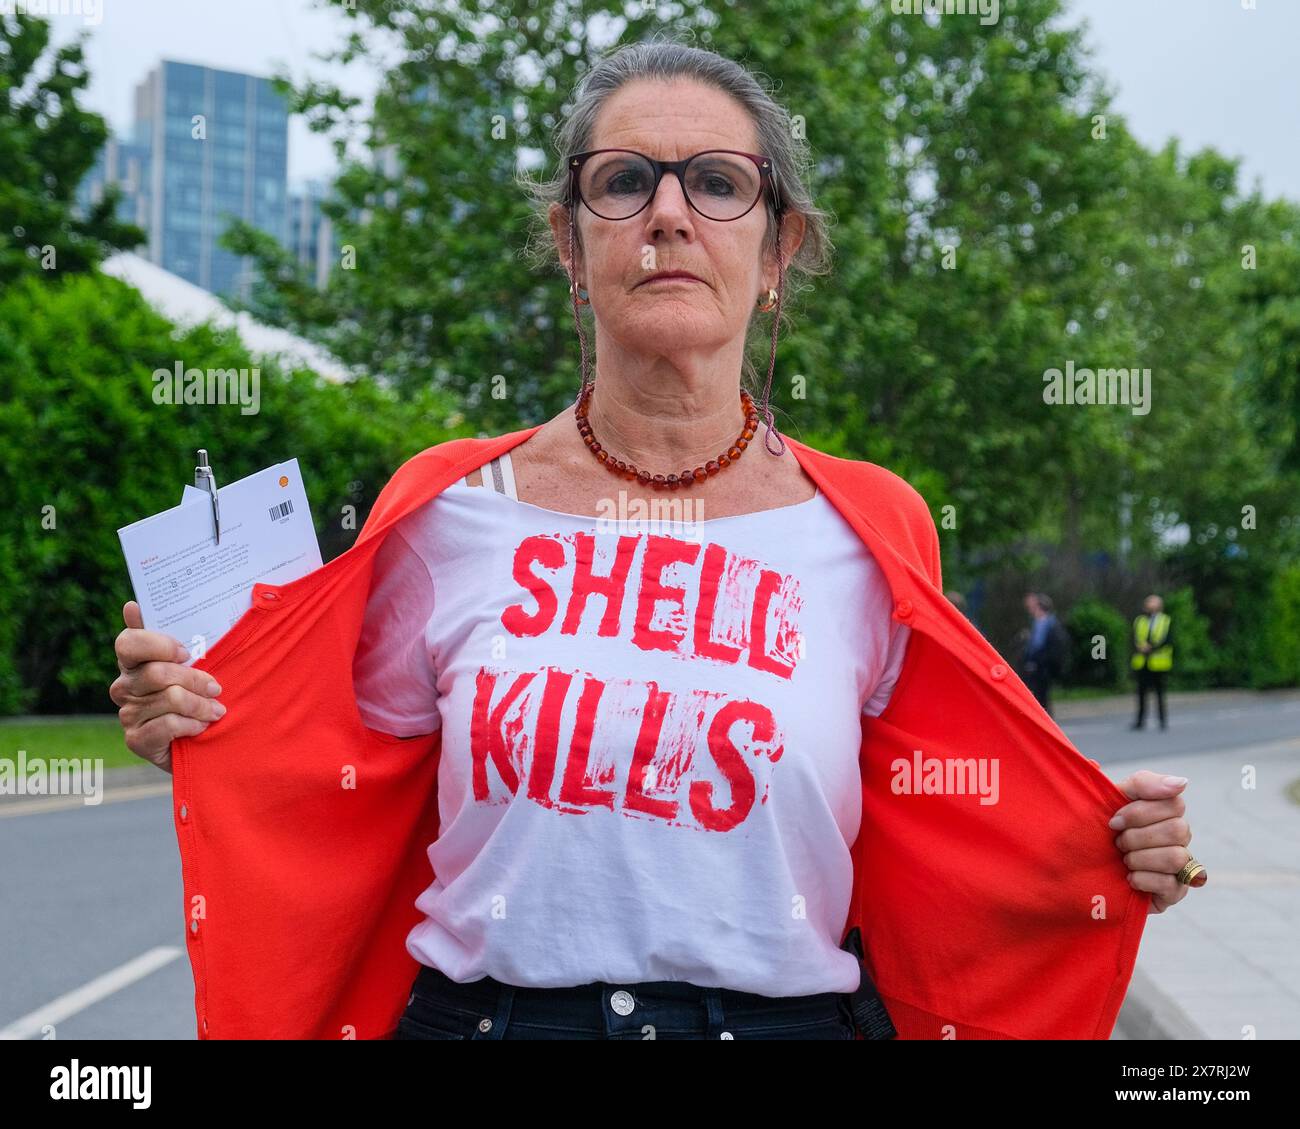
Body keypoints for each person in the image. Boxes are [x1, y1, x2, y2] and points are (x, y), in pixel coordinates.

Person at [108, 38, 1205, 1042]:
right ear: (569, 244)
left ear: (779, 251)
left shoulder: (872, 527)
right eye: (624, 180)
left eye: (719, 182)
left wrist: (1097, 851)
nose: (668, 215)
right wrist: (212, 724)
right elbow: (338, 776)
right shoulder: (446, 507)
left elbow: (946, 813)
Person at [1020, 591, 1068, 717]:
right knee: (1041, 696)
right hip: (1042, 666)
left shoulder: (1044, 624)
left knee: (1041, 696)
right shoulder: (1047, 623)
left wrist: (1034, 662)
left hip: (1042, 667)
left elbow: (1039, 645)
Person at [1131, 593, 1174, 730]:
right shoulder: (1139, 620)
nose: (1148, 605)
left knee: (1160, 693)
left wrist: (1152, 648)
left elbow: (1168, 640)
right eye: (1147, 602)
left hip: (1159, 663)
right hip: (1142, 662)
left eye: (1151, 602)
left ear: (1159, 605)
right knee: (1141, 693)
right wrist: (1139, 646)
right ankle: (1140, 721)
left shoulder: (1165, 620)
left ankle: (1162, 721)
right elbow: (1133, 637)